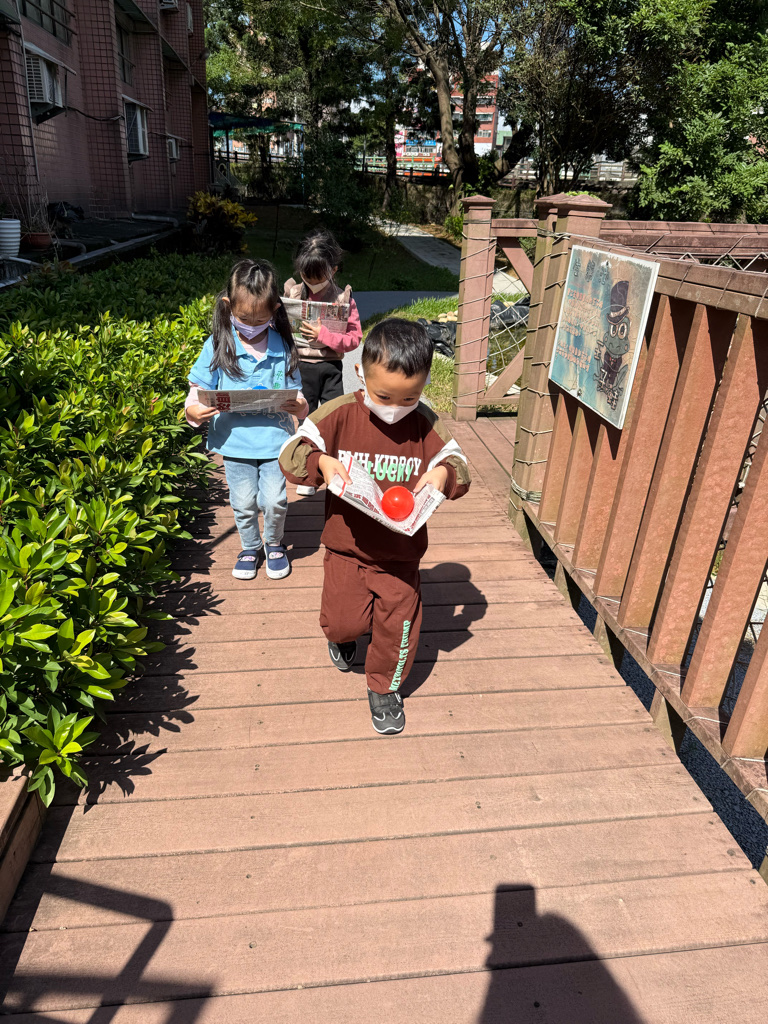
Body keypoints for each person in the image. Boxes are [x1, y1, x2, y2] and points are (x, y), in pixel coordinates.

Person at [279, 318, 471, 735]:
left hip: (401, 555)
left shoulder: (425, 422)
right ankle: (343, 638)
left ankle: (385, 687)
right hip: (346, 547)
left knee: (398, 626)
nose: (396, 408)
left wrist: (443, 474)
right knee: (342, 622)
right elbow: (292, 453)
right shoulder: (340, 413)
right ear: (360, 374)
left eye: (410, 397)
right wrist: (321, 462)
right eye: (384, 396)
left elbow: (459, 465)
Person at [185, 259, 309, 582]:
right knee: (242, 502)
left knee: (275, 500)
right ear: (228, 307)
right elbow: (197, 389)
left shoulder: (283, 346)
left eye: (261, 319)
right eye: (243, 319)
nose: (251, 326)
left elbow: (297, 393)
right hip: (235, 442)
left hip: (274, 440)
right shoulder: (218, 344)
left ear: (275, 310)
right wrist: (193, 410)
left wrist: (300, 407)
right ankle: (250, 547)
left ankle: (274, 543)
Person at [283, 229, 362, 495]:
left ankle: (330, 468)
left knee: (331, 418)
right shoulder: (294, 293)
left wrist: (324, 336)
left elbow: (354, 339)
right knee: (306, 420)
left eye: (319, 278)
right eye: (307, 276)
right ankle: (309, 473)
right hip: (301, 367)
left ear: (333, 270)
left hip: (330, 368)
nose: (312, 283)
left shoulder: (343, 300)